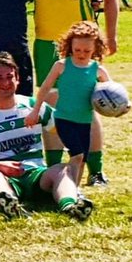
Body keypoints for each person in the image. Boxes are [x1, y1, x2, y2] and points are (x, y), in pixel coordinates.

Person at [20, 0, 119, 185]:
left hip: (82, 44)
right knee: (52, 105)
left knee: (87, 105)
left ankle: (96, 169)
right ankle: (54, 168)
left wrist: (110, 36)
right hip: (46, 43)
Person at [0, 52, 93, 220]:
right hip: (5, 177)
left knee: (62, 169)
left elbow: (66, 132)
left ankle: (70, 206)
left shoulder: (33, 106)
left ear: (18, 79)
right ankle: (11, 205)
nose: (5, 82)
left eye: (10, 76)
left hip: (36, 174)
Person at [28, 22, 111, 186]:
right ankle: (66, 187)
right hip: (64, 119)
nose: (81, 54)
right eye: (77, 50)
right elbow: (45, 88)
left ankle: (74, 190)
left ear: (96, 49)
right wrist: (35, 111)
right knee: (77, 154)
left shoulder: (98, 70)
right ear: (69, 46)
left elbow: (112, 93)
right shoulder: (61, 66)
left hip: (85, 120)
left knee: (82, 159)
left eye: (87, 51)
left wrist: (123, 106)